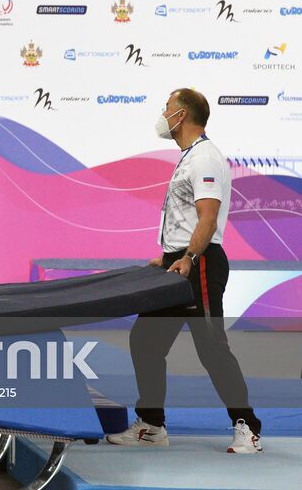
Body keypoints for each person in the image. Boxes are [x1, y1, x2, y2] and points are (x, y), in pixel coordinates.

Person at [107, 88, 263, 453]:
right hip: (178, 263)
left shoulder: (205, 158)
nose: (163, 114)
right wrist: (168, 257)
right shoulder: (189, 157)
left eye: (167, 108)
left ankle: (247, 427)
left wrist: (189, 256)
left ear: (182, 116)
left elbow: (208, 217)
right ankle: (152, 426)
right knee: (145, 341)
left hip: (200, 264)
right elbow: (187, 220)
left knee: (212, 349)